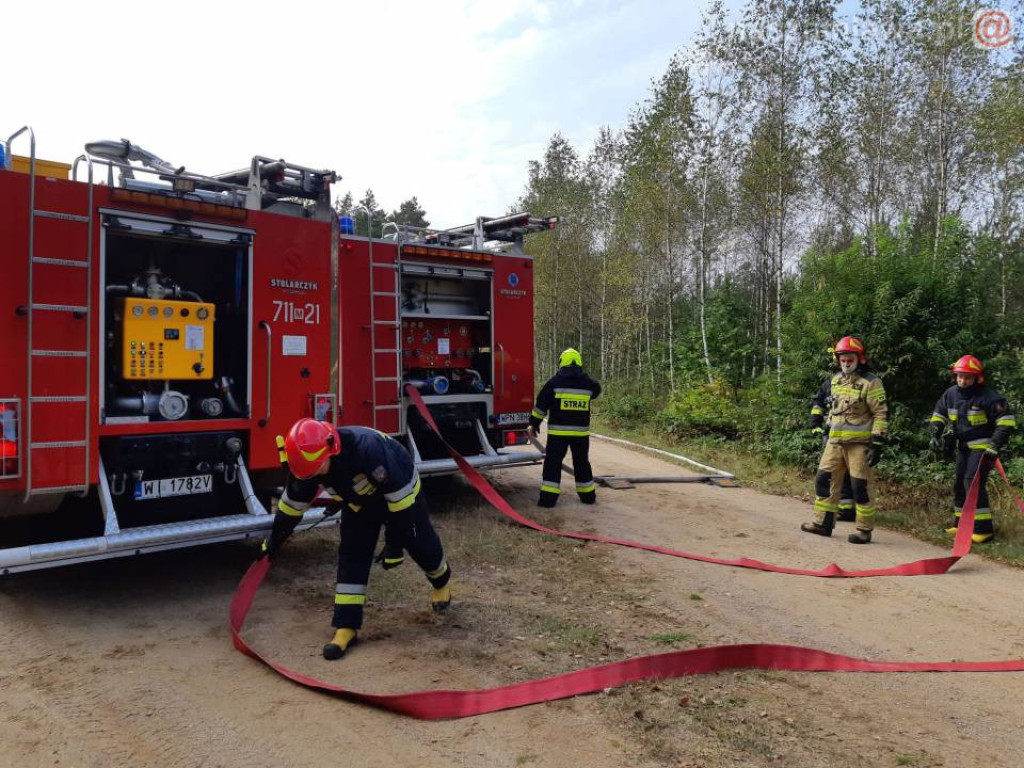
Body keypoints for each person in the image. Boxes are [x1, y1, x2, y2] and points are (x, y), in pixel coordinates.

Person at [261, 419, 452, 660]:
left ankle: (441, 582)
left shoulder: (367, 450)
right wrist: (276, 538)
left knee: (420, 542)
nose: (313, 476)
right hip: (359, 503)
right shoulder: (307, 465)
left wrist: (394, 544)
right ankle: (346, 626)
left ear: (330, 450)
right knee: (352, 553)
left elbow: (400, 504)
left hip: (401, 493)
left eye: (317, 468)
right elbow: (291, 506)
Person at [801, 336, 888, 544]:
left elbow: (880, 414)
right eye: (843, 360)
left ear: (860, 359)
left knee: (861, 487)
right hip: (834, 442)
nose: (846, 364)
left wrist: (877, 442)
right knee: (824, 481)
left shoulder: (871, 382)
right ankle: (822, 524)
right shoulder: (834, 381)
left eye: (850, 360)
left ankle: (864, 529)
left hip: (859, 445)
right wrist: (817, 424)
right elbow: (823, 404)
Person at [928, 355, 1016, 544]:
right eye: (960, 376)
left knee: (972, 483)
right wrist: (935, 434)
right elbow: (939, 415)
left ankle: (983, 530)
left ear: (978, 378)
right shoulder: (950, 393)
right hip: (963, 447)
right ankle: (960, 524)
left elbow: (1006, 422)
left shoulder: (989, 397)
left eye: (967, 377)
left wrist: (995, 446)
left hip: (984, 447)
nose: (962, 380)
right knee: (959, 483)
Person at [528, 348, 602, 508]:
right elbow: (597, 389)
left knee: (553, 464)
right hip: (581, 436)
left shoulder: (554, 383)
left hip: (558, 435)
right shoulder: (588, 384)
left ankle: (548, 500)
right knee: (582, 463)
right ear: (579, 364)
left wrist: (534, 423)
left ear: (562, 363)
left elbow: (541, 406)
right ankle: (588, 496)